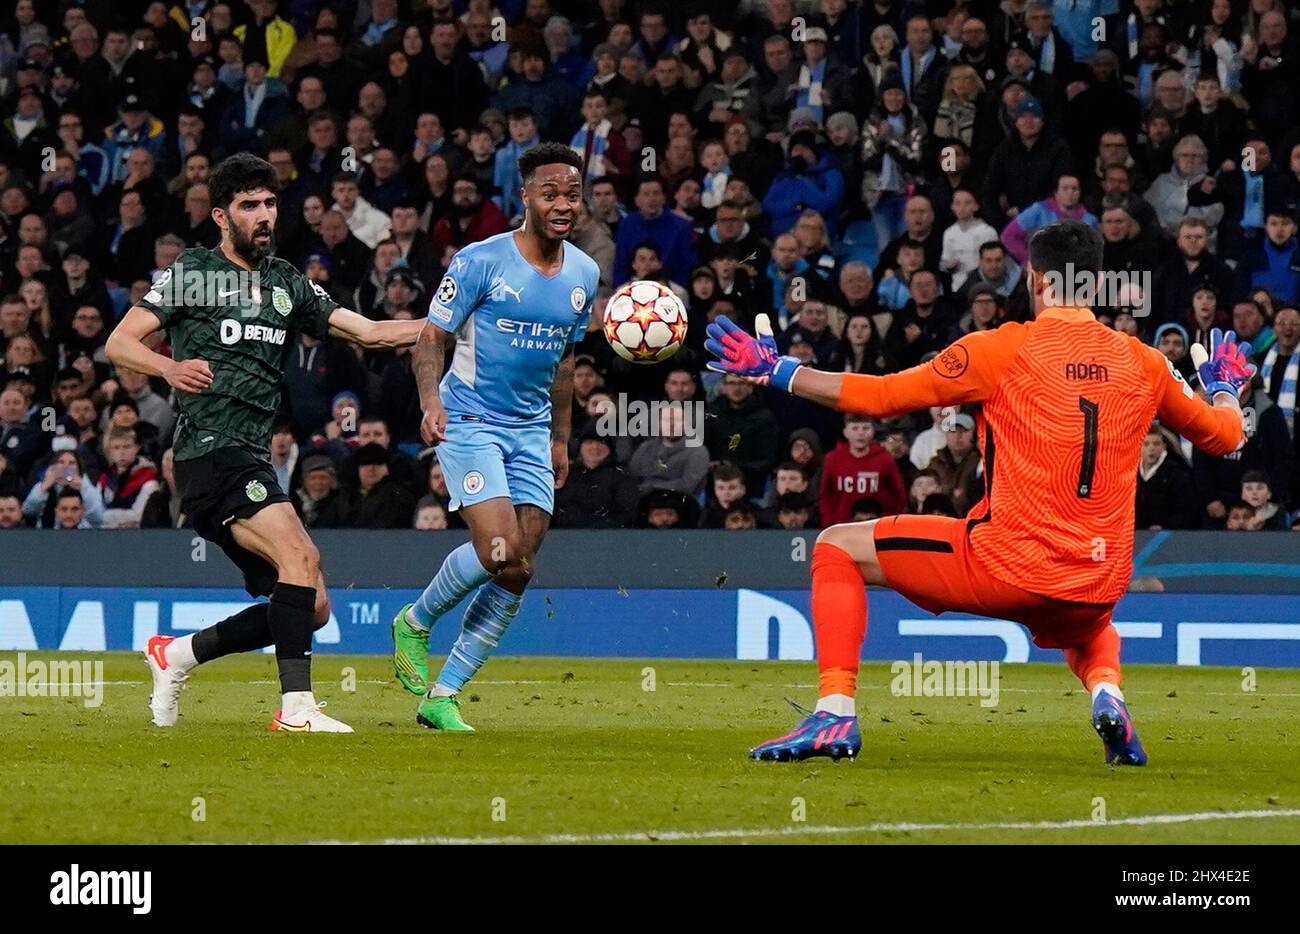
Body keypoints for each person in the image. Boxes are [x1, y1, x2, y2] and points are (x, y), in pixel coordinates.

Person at [706, 220, 1251, 765]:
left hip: (1007, 566)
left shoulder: (1003, 349)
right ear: (1096, 281)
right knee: (1085, 629)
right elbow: (1225, 436)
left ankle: (835, 713)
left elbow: (883, 396)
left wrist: (781, 372)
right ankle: (1108, 693)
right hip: (1097, 581)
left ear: (1036, 281)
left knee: (835, 548)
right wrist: (1224, 389)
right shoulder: (1145, 361)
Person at [105, 153, 426, 734]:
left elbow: (373, 333)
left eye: (270, 204)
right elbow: (120, 343)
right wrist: (169, 369)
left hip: (251, 459)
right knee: (300, 558)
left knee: (312, 605)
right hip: (207, 452)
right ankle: (297, 711)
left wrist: (454, 323)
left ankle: (175, 655)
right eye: (250, 205)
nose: (264, 215)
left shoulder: (286, 282)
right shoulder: (194, 273)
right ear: (222, 216)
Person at [393, 143, 600, 733]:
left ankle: (445, 694)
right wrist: (431, 401)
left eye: (572, 194)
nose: (563, 205)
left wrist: (561, 437)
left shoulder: (584, 273)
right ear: (526, 198)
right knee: (497, 550)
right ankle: (416, 619)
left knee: (519, 568)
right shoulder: (480, 260)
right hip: (471, 419)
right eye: (550, 193)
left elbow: (564, 359)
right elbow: (431, 339)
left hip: (533, 430)